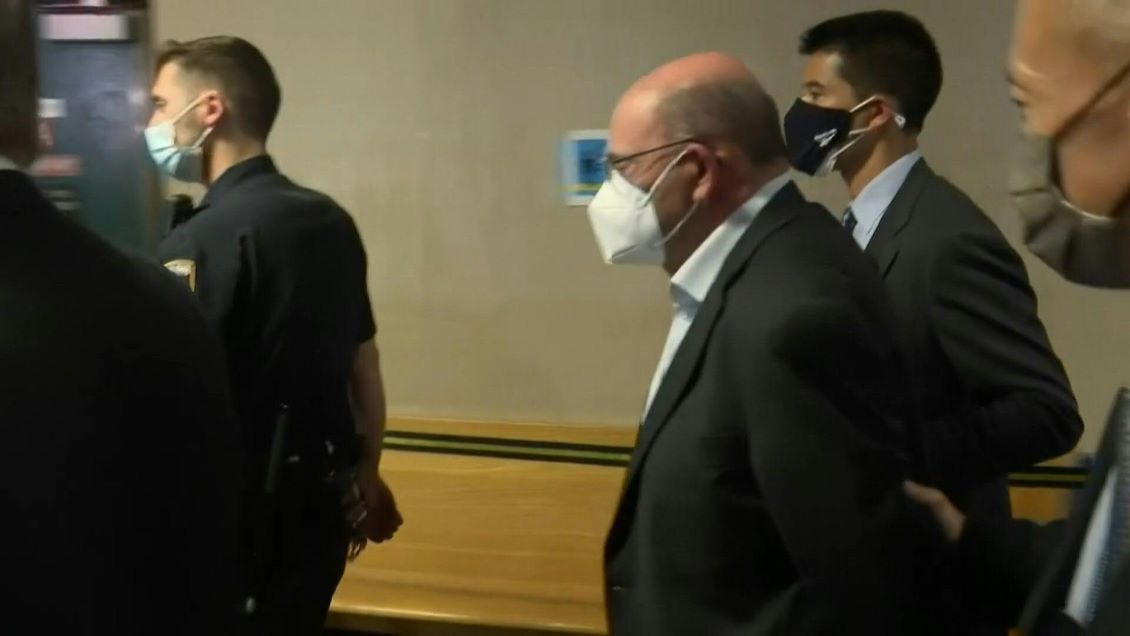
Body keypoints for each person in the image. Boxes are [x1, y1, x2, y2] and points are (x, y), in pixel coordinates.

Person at [593, 51, 940, 636]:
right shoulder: (754, 269)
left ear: (699, 171)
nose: (608, 193)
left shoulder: (796, 313)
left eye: (622, 168)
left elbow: (859, 588)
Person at [786, 11, 1084, 633]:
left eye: (816, 95)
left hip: (934, 591)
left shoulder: (948, 238)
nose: (800, 113)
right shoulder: (850, 230)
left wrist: (897, 452)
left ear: (874, 113)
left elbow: (1047, 411)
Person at [145, 36, 401, 635]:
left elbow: (174, 401)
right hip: (320, 519)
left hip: (232, 528)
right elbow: (364, 368)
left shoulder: (200, 240)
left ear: (210, 109)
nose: (152, 124)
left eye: (160, 105)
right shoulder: (330, 221)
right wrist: (367, 473)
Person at [0, 2, 240, 633]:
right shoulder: (157, 306)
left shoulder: (192, 249)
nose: (148, 125)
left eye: (159, 106)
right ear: (29, 121)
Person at [908, 1, 1130, 633]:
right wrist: (968, 537)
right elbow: (1109, 575)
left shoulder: (945, 238)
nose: (1028, 148)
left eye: (1025, 102)